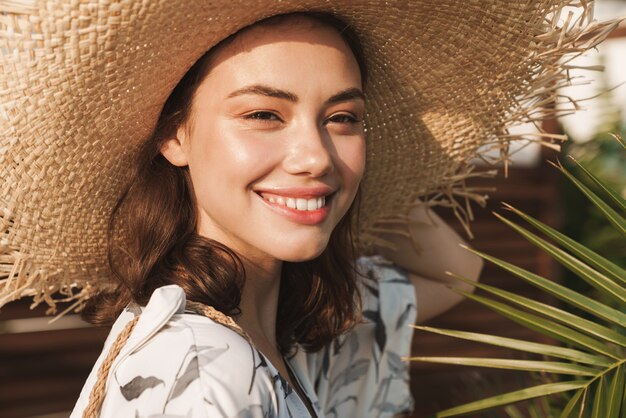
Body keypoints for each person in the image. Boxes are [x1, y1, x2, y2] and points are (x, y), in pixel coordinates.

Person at [0, 2, 616, 418]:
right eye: (264, 114)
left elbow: (453, 272)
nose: (314, 154)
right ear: (175, 137)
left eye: (342, 118)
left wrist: (348, 183)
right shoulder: (195, 376)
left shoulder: (299, 323)